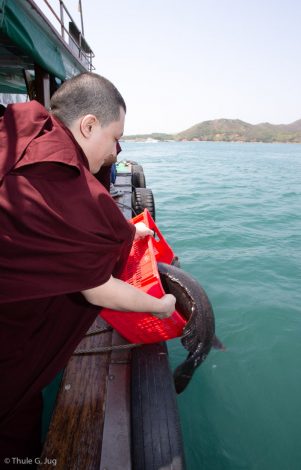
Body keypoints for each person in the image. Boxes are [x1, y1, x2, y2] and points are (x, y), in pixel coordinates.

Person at [0, 72, 176, 464]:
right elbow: (95, 286)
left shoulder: (19, 127)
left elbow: (48, 235)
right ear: (88, 124)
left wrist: (131, 232)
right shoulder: (65, 183)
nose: (116, 151)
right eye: (114, 137)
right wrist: (160, 307)